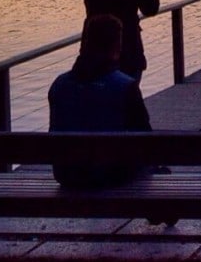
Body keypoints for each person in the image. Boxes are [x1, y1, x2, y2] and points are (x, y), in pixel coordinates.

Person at [47, 14, 152, 189]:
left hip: (66, 175)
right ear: (117, 46)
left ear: (85, 44)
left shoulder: (59, 85)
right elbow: (146, 141)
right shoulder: (126, 87)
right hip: (111, 176)